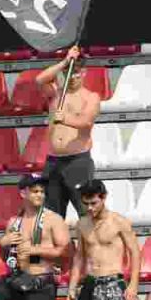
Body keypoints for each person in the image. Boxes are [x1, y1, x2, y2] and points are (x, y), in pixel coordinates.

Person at [68, 180, 142, 300]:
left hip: (113, 282)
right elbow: (79, 256)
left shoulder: (119, 222)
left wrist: (133, 284)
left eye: (94, 203)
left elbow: (135, 253)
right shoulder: (82, 224)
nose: (90, 208)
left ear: (104, 198)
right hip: (91, 282)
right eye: (86, 204)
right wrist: (72, 286)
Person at [36, 45, 101, 218]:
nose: (72, 77)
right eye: (68, 72)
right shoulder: (56, 93)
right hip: (53, 161)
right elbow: (40, 80)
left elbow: (86, 122)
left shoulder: (90, 97)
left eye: (76, 72)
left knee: (86, 212)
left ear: (84, 72)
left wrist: (64, 119)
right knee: (52, 216)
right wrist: (65, 61)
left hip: (77, 160)